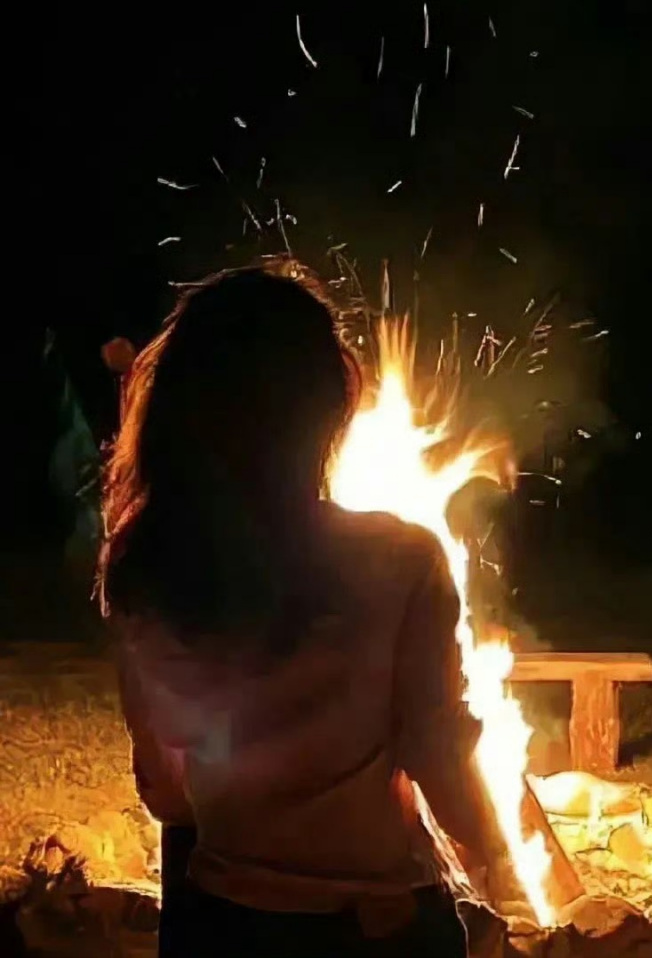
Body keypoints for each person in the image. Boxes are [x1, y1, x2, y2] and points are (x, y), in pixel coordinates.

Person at [97, 267, 493, 957]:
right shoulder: (403, 559)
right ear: (328, 409)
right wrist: (495, 859)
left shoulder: (145, 564)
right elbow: (439, 758)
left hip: (221, 924)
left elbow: (167, 794)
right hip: (374, 926)